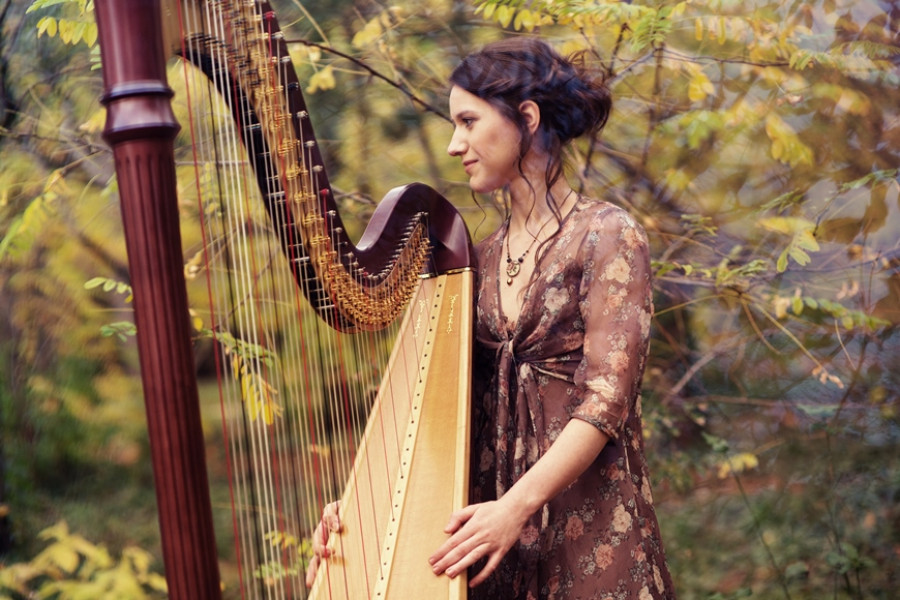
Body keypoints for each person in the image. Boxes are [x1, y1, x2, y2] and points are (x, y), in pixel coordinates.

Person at [308, 37, 675, 599]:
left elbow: (607, 401)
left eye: (468, 121)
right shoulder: (476, 259)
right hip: (492, 541)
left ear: (526, 118)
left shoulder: (608, 234)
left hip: (587, 529)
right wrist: (359, 507)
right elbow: (449, 416)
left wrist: (515, 508)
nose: (455, 144)